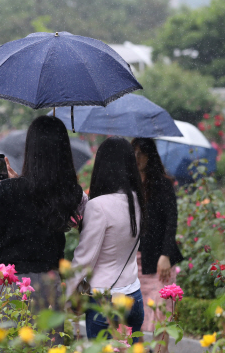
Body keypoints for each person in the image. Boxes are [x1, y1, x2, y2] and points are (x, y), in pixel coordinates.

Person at [0, 116, 87, 345]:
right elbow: (43, 198)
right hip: (48, 285)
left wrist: (10, 187)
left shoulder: (7, 190)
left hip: (10, 283)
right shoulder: (69, 193)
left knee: (10, 347)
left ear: (30, 149)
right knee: (47, 346)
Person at [66, 137, 146, 344]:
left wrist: (71, 296)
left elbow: (86, 260)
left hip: (104, 299)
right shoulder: (138, 200)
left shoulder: (98, 206)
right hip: (133, 294)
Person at [131, 138, 184, 350]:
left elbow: (172, 221)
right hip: (134, 259)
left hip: (159, 259)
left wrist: (166, 255)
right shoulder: (128, 184)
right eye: (133, 152)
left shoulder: (163, 184)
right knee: (133, 313)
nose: (137, 157)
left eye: (141, 152)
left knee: (162, 312)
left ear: (150, 155)